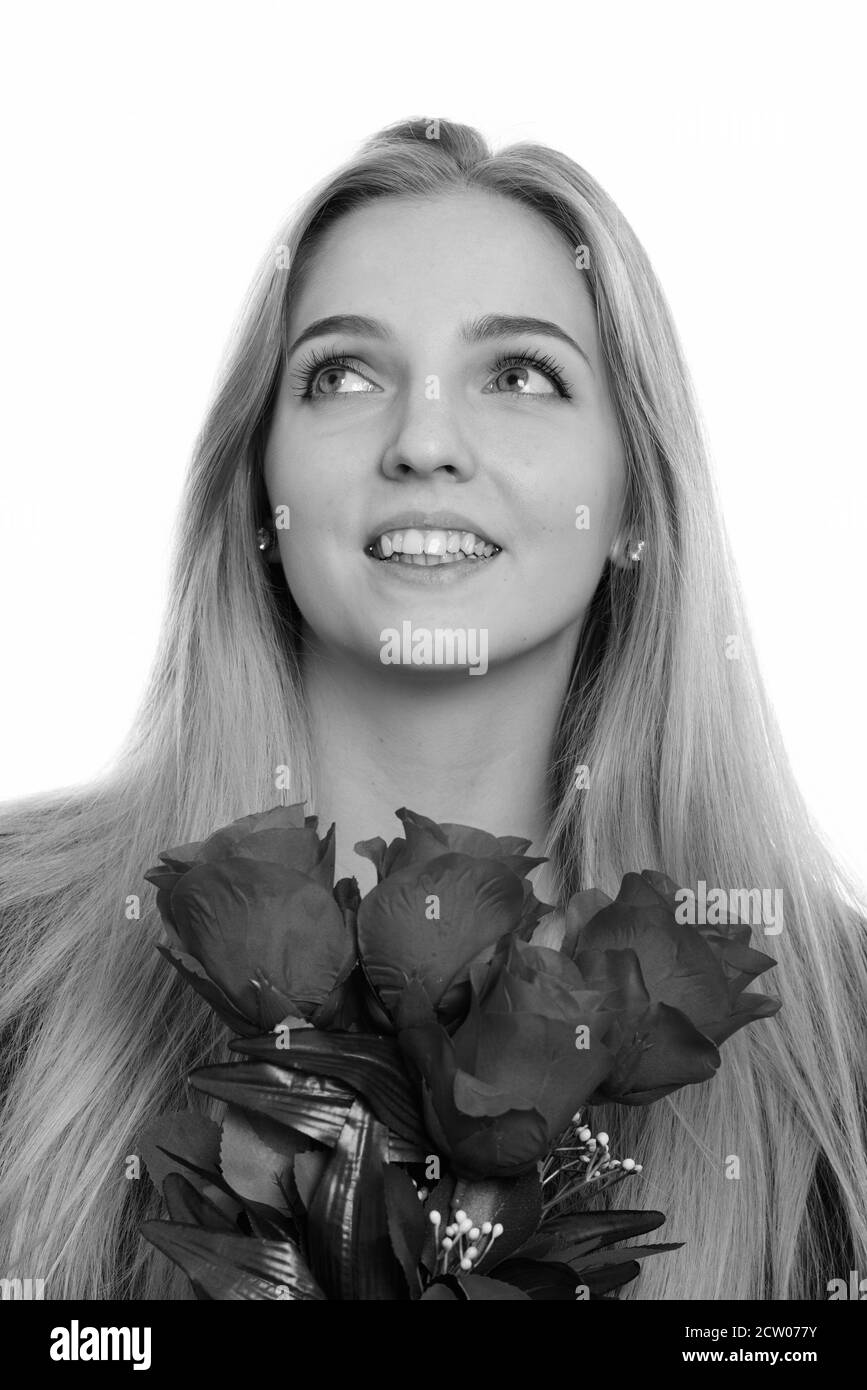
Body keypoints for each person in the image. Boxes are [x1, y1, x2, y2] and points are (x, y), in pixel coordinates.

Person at [1, 117, 864, 1301]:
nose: (421, 440)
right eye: (343, 374)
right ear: (258, 486)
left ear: (635, 504)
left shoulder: (844, 1050)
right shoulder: (18, 956)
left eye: (519, 374)